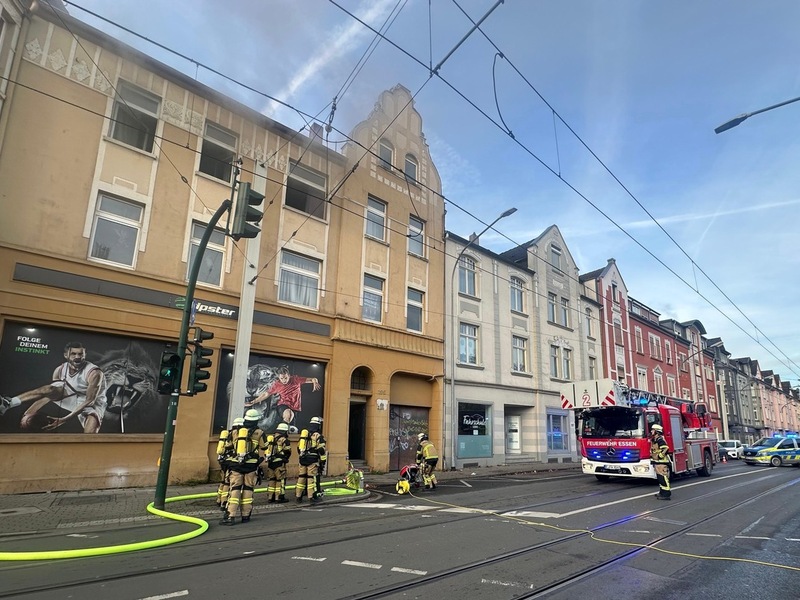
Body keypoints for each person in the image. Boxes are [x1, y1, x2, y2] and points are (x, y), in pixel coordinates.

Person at [0, 342, 107, 433]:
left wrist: (63, 419)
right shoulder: (60, 370)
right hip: (70, 394)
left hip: (91, 401)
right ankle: (9, 403)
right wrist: (28, 412)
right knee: (49, 389)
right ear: (66, 355)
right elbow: (49, 395)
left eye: (80, 354)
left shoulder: (94, 372)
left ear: (85, 355)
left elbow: (90, 400)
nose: (77, 357)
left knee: (90, 431)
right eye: (73, 354)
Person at [221, 409, 266, 525]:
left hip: (236, 465)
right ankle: (246, 515)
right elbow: (264, 447)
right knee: (248, 489)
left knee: (235, 489)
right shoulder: (260, 432)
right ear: (256, 420)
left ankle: (230, 515)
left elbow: (227, 446)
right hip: (251, 466)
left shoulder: (236, 432)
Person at [246, 365, 320, 427]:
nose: (284, 380)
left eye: (286, 378)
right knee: (288, 414)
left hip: (295, 406)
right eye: (282, 378)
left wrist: (315, 381)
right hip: (283, 405)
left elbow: (312, 379)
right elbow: (266, 394)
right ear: (279, 377)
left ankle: (282, 431)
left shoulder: (295, 379)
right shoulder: (277, 384)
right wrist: (254, 401)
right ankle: (280, 433)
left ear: (289, 376)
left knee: (290, 423)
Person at [215, 417, 243, 512]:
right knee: (228, 482)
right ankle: (224, 502)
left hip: (223, 461)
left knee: (223, 481)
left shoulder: (228, 434)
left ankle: (219, 499)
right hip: (231, 462)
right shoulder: (238, 435)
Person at [295, 416, 326, 503]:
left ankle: (298, 496)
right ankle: (311, 497)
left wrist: (302, 456)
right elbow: (322, 450)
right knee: (311, 478)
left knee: (301, 477)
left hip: (302, 459)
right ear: (318, 426)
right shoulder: (318, 436)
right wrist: (323, 461)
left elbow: (298, 448)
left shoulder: (304, 435)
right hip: (312, 461)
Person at [266, 422, 292, 503]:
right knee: (280, 480)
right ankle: (279, 497)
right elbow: (288, 451)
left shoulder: (271, 438)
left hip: (270, 463)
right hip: (279, 463)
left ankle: (270, 497)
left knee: (271, 480)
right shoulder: (284, 440)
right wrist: (285, 458)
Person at [650, 423, 671, 500]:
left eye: (653, 430)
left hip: (661, 462)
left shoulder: (660, 440)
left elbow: (665, 449)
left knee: (663, 478)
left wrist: (659, 456)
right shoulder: (655, 440)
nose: (651, 431)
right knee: (660, 478)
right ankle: (662, 492)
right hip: (657, 463)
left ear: (657, 431)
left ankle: (666, 494)